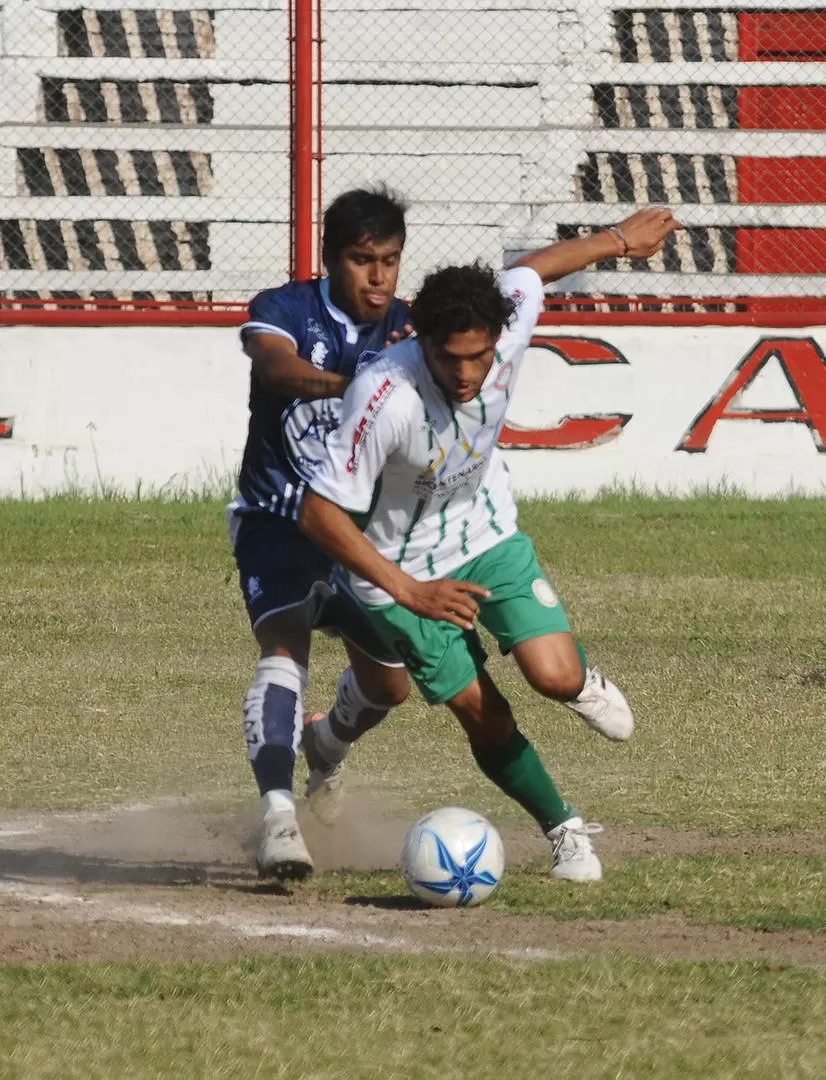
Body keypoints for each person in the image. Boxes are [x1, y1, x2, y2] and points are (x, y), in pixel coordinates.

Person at [231, 184, 677, 882]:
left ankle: (573, 682)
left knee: (525, 679)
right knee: (481, 713)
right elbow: (317, 503)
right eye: (451, 361)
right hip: (373, 554)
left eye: (480, 358)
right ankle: (562, 830)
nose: (468, 375)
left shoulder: (484, 324)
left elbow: (532, 272)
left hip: (484, 533)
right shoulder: (384, 390)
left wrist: (621, 239)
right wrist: (410, 591)